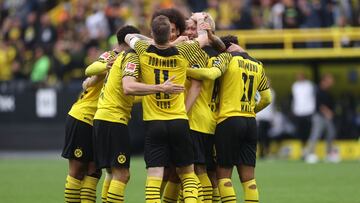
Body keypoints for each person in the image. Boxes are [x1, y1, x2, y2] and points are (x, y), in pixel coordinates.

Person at [92, 25, 184, 203]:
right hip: (113, 119)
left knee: (112, 173)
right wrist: (160, 88)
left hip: (102, 117)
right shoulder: (131, 57)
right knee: (122, 175)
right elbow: (128, 88)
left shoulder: (120, 58)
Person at [124, 13, 210, 203]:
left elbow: (128, 36)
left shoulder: (142, 49)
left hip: (154, 123)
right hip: (179, 121)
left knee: (154, 176)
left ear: (153, 33)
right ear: (170, 33)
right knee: (188, 174)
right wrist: (201, 18)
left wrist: (154, 40)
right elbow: (204, 37)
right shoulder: (183, 51)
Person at [186, 35, 272, 203]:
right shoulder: (257, 64)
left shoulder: (227, 59)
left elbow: (211, 74)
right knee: (249, 178)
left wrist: (184, 70)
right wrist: (250, 111)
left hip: (229, 120)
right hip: (250, 122)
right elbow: (266, 98)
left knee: (223, 174)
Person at [62, 44, 118, 203]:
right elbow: (91, 72)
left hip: (99, 121)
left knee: (94, 171)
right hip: (82, 117)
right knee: (77, 171)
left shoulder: (129, 63)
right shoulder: (111, 57)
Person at [303, 73, 338, 163]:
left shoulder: (328, 92)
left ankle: (330, 154)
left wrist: (330, 113)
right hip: (318, 116)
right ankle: (308, 154)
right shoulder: (317, 90)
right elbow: (318, 105)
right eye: (330, 80)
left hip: (327, 117)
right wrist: (327, 112)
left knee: (331, 133)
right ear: (325, 80)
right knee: (315, 135)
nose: (332, 82)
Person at [291, 72, 316, 144]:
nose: (299, 78)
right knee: (300, 130)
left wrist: (313, 109)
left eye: (301, 76)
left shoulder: (309, 85)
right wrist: (294, 109)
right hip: (299, 112)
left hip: (309, 111)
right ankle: (303, 146)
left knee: (308, 130)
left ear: (304, 77)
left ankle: (309, 146)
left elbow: (313, 97)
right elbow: (296, 99)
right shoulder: (295, 85)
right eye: (298, 76)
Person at [256, 87, 276, 159]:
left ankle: (267, 152)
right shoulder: (256, 91)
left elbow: (272, 106)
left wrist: (272, 117)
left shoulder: (272, 92)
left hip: (268, 117)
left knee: (267, 136)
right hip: (260, 117)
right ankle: (261, 152)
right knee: (260, 136)